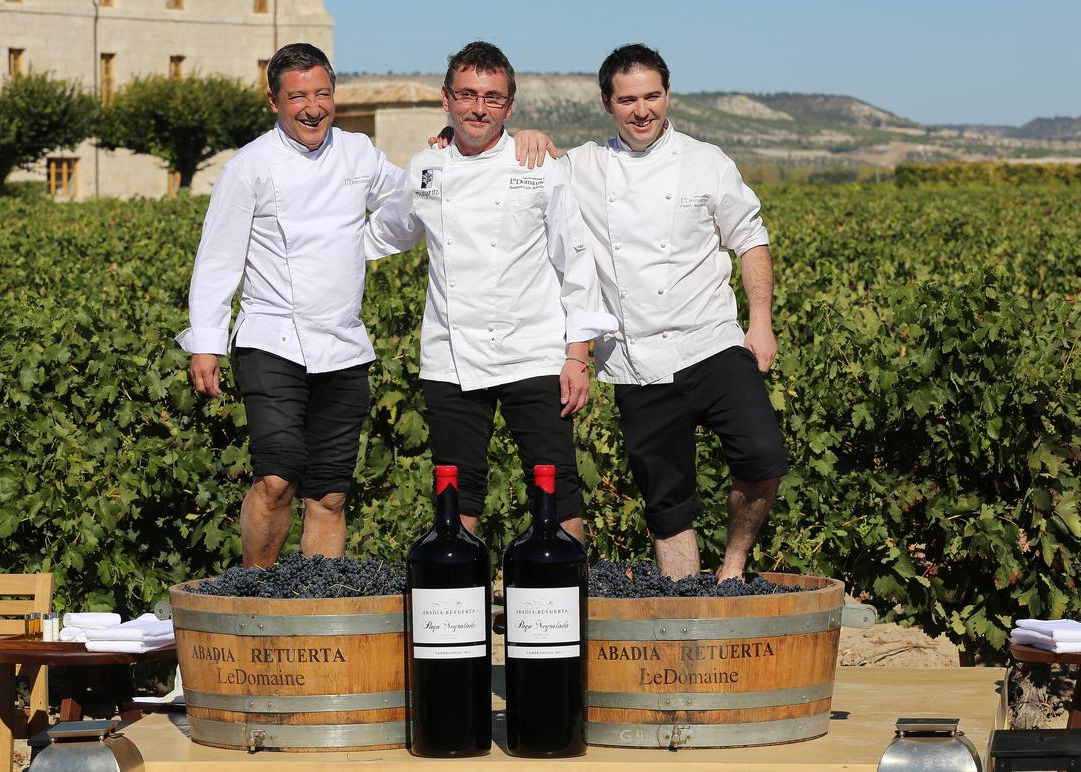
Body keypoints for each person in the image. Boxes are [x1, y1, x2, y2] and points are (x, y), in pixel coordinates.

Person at [440, 44, 787, 581]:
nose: (641, 110)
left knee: (763, 457)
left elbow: (750, 239)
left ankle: (733, 568)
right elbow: (506, 160)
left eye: (651, 96)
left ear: (668, 95)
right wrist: (510, 139)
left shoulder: (706, 162)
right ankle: (685, 613)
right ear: (608, 104)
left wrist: (760, 323)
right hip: (635, 362)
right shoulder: (582, 166)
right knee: (668, 506)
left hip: (712, 343)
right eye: (628, 100)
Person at [365, 41, 616, 541]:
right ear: (446, 99)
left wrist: (578, 355)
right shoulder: (424, 168)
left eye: (493, 98)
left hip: (535, 352)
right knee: (457, 491)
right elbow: (383, 234)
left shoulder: (539, 165)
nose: (479, 108)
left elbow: (577, 264)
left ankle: (568, 610)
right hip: (451, 357)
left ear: (510, 105)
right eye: (468, 95)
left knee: (559, 489)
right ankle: (459, 610)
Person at [176, 43, 404, 567]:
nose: (312, 107)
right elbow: (217, 260)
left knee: (329, 494)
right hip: (271, 339)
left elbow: (409, 202)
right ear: (274, 101)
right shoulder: (249, 166)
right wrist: (205, 344)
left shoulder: (359, 153)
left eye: (322, 93)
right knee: (277, 479)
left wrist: (372, 240)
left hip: (344, 345)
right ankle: (257, 592)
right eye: (297, 96)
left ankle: (315, 609)